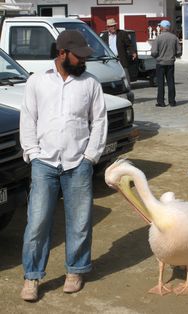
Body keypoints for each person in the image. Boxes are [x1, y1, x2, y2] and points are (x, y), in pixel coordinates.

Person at [19, 30, 108, 301]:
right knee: (37, 222)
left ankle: (75, 270)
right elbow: (28, 118)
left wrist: (90, 157)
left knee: (80, 222)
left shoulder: (90, 84)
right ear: (61, 54)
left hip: (77, 163)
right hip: (43, 162)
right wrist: (33, 153)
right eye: (79, 56)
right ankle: (32, 277)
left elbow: (99, 121)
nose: (83, 61)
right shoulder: (37, 82)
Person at [151, 20, 182, 107]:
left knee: (161, 83)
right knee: (171, 82)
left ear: (162, 28)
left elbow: (153, 52)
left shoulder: (158, 38)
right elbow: (179, 52)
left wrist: (157, 56)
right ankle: (172, 101)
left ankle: (161, 101)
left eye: (160, 26)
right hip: (171, 63)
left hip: (160, 63)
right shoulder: (174, 38)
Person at [100, 18, 137, 85]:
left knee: (125, 75)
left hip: (121, 59)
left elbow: (129, 45)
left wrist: (133, 52)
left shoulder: (122, 34)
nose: (113, 27)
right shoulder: (104, 36)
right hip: (109, 60)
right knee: (110, 77)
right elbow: (100, 47)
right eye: (111, 26)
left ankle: (128, 90)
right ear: (108, 27)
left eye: (114, 25)